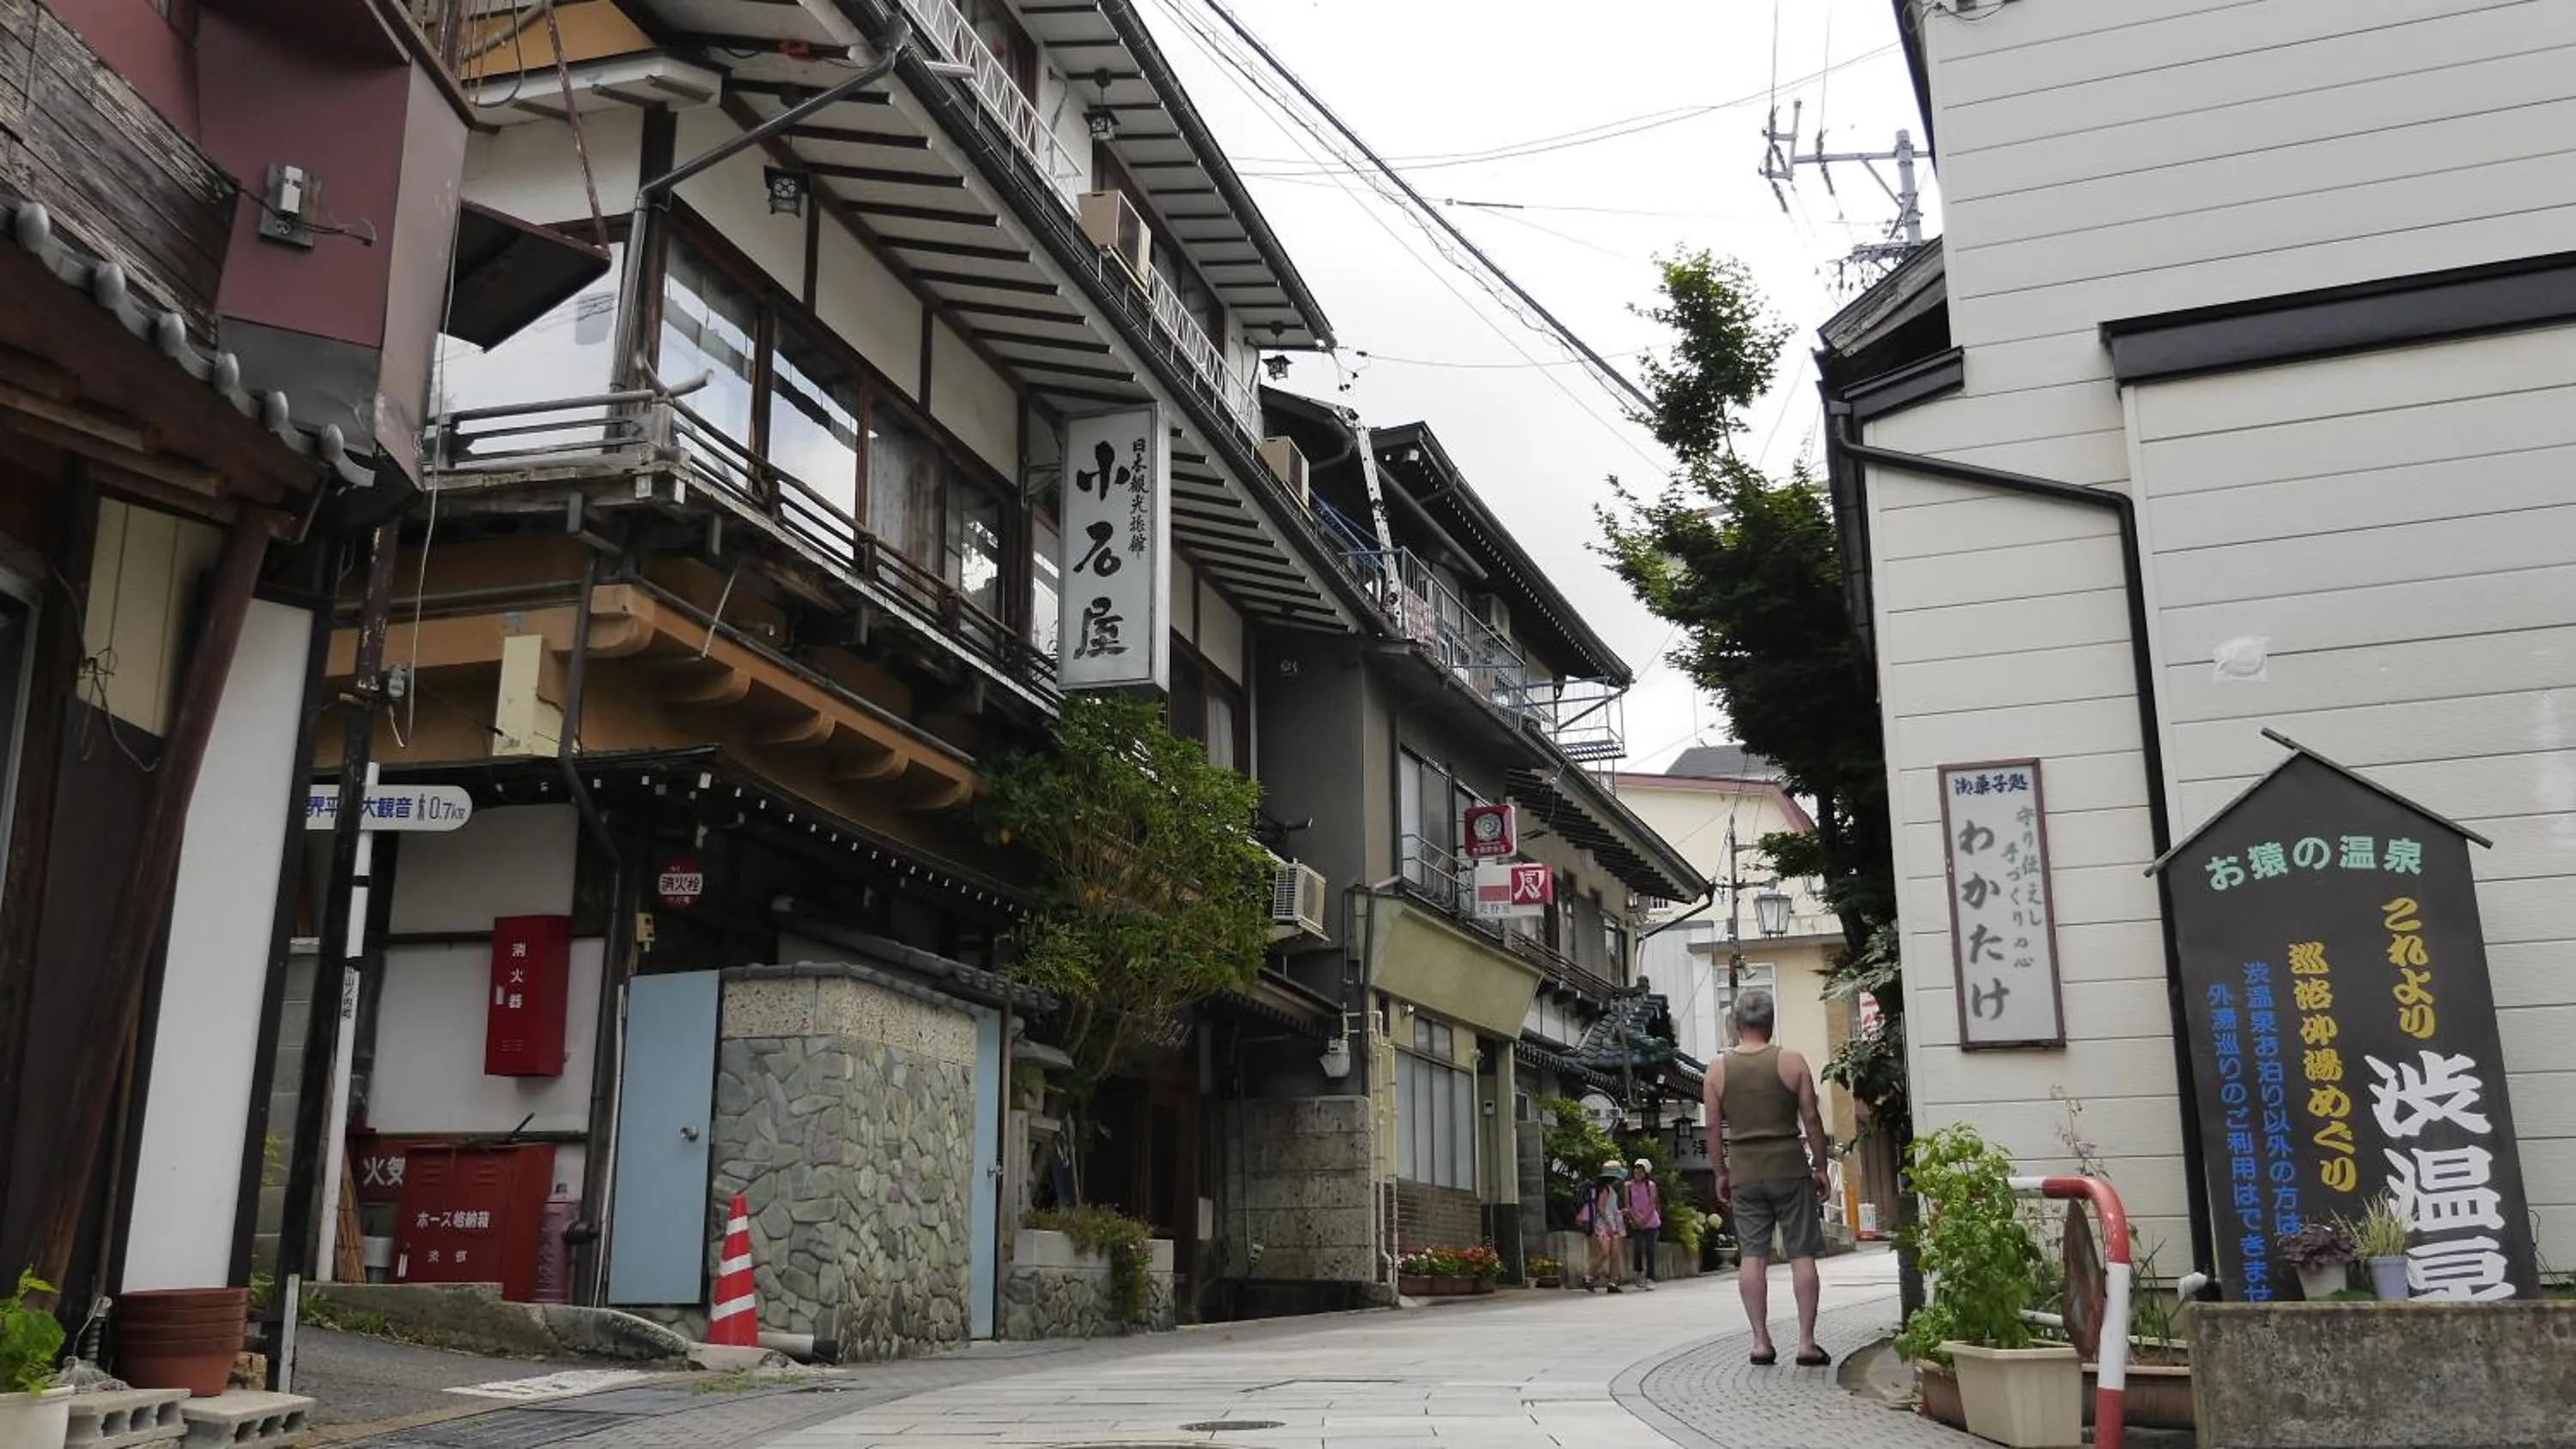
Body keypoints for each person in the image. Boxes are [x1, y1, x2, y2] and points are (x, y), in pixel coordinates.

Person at [1704, 987, 1832, 1366]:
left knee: (1753, 1257)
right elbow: (1811, 1119)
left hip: (1745, 1172)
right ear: (1771, 1022)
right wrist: (1821, 1167)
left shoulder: (1717, 1069)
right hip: (1790, 1169)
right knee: (1801, 1254)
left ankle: (1760, 1341)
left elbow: (1713, 1129)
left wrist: (1720, 1173)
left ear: (1737, 1024)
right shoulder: (1792, 1062)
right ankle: (1807, 1343)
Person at [1577, 1158, 1628, 1293]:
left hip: (1611, 1224)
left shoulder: (1610, 1189)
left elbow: (1610, 1208)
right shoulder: (1605, 1190)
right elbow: (1601, 1207)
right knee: (1605, 1252)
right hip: (1604, 1225)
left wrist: (1619, 1213)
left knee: (1614, 1254)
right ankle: (1589, 1276)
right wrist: (1609, 1224)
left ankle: (1613, 1282)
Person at [1624, 1159, 1663, 1290]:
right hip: (1636, 1222)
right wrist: (1635, 1220)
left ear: (1646, 1173)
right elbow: (1628, 1205)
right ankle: (1639, 1273)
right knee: (1638, 1249)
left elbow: (1653, 1204)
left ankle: (1650, 1278)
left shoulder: (1650, 1185)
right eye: (1636, 1170)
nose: (1638, 1173)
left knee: (1650, 1250)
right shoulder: (1628, 1186)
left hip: (1650, 1222)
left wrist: (1644, 1220)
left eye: (1641, 1171)